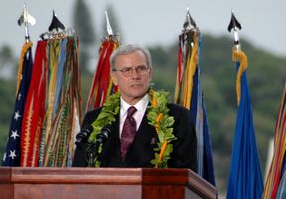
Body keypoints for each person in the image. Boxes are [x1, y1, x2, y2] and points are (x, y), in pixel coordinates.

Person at [72, 44, 197, 172]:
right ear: (114, 77)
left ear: (150, 73)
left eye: (141, 69)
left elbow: (185, 177)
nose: (135, 75)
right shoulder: (94, 120)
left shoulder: (177, 118)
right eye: (127, 70)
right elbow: (78, 172)